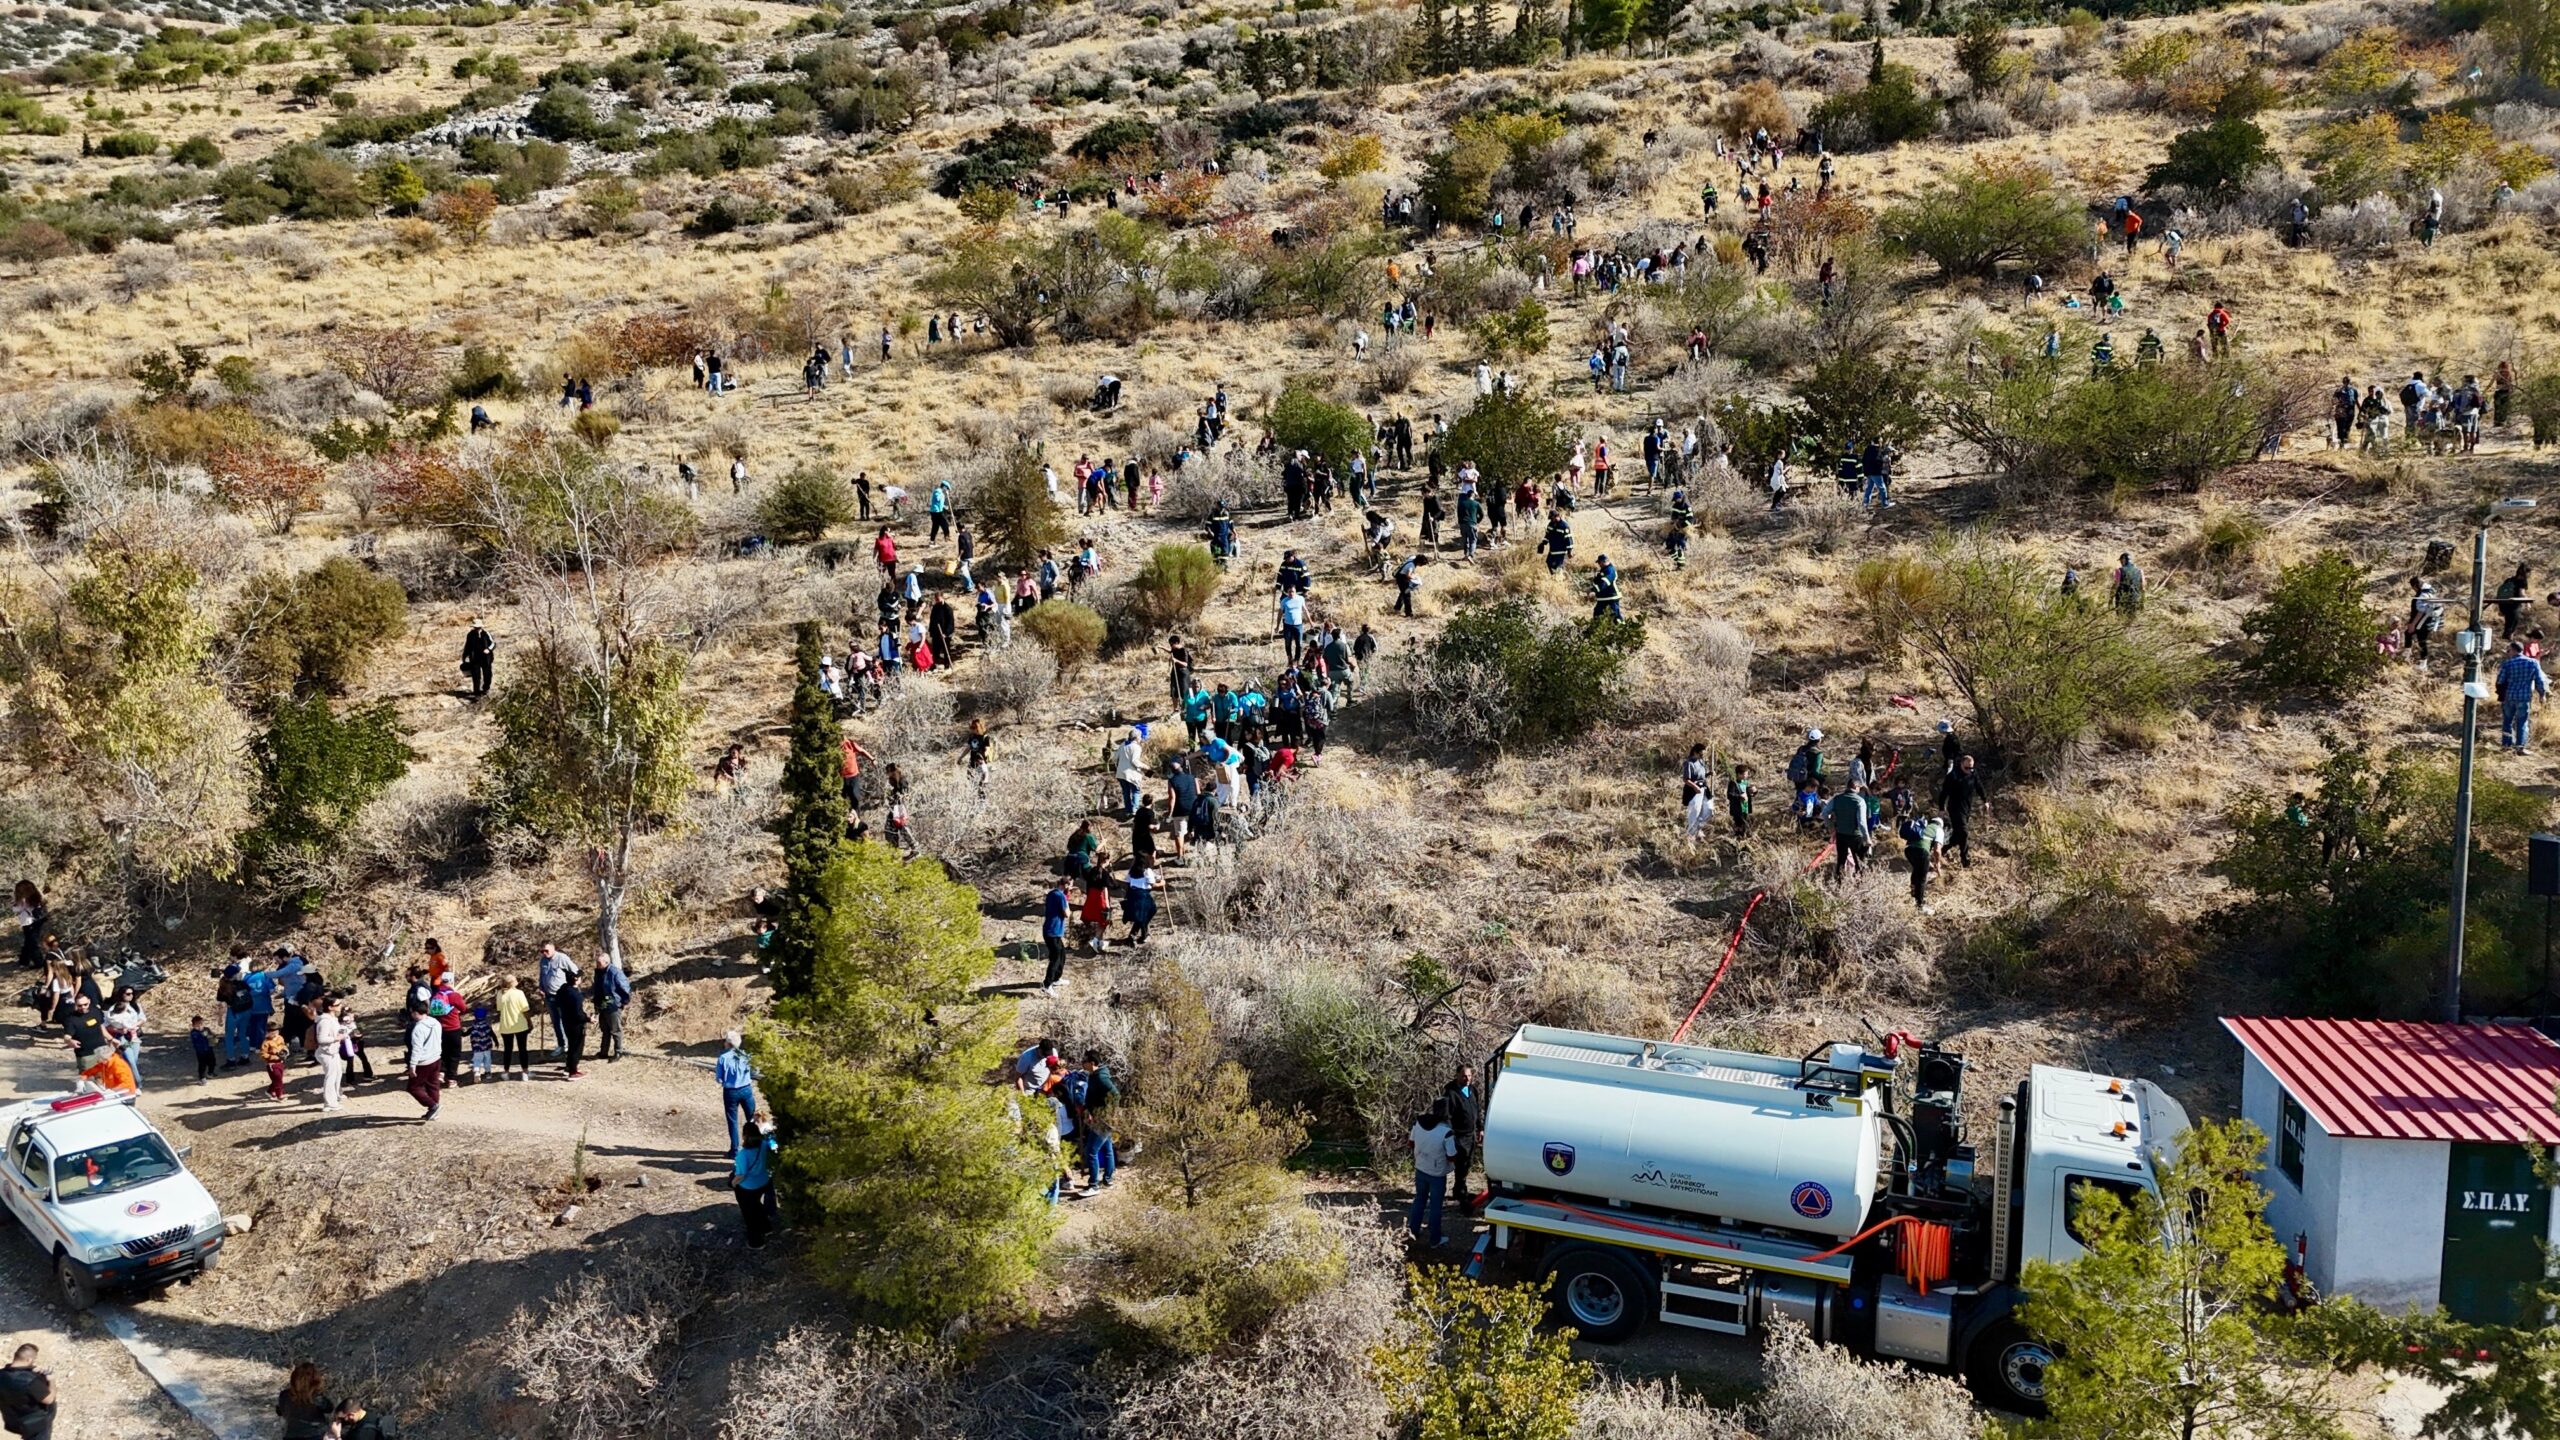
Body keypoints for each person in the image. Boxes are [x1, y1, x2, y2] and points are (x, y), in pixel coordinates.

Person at [1409, 1101, 1457, 1248]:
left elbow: (1410, 1143)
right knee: (1436, 1206)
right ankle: (1435, 1239)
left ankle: (1413, 1232)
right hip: (1437, 1174)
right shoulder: (1446, 1132)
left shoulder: (1419, 1123)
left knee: (1419, 1200)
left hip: (1421, 1168)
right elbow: (1451, 1156)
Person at [733, 1115, 780, 1250]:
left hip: (749, 1187)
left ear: (744, 1136)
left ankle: (756, 1242)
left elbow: (740, 1175)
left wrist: (733, 1184)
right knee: (756, 1204)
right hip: (764, 1182)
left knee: (749, 1215)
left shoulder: (743, 1154)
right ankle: (766, 1227)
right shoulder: (764, 1145)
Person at [2499, 640, 2549, 752]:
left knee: (2507, 721)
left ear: (2513, 650)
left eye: (2509, 650)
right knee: (2522, 721)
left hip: (2509, 696)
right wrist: (2542, 694)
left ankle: (2506, 745)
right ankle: (2520, 747)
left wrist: (2501, 694)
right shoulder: (2533, 663)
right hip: (2524, 696)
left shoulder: (2507, 664)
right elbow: (2539, 680)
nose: (2508, 652)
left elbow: (2500, 681)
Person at [1443, 1067, 1482, 1210]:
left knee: (1467, 1162)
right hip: (1459, 1135)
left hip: (1471, 1134)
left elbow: (1476, 1110)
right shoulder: (1451, 1093)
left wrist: (1480, 1128)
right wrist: (1451, 1134)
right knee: (1460, 1163)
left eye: (1469, 1076)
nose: (1467, 1079)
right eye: (1464, 1076)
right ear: (1458, 1075)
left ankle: (1461, 1188)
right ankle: (1459, 1191)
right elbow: (1447, 1116)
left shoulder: (1473, 1090)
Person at [1938, 754, 1984, 867]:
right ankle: (1965, 858)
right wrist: (1941, 808)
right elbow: (1944, 793)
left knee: (1957, 835)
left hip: (1966, 808)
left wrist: (1985, 800)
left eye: (1971, 767)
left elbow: (1979, 786)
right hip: (1954, 808)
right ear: (1961, 765)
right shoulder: (1953, 776)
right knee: (1963, 832)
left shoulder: (1973, 774)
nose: (1969, 770)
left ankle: (1943, 849)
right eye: (1967, 768)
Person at [0, 1345, 54, 1440]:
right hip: (35, 1423)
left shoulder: (2, 1374)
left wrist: (31, 1372)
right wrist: (51, 1380)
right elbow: (49, 1399)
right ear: (29, 1360)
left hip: (13, 1420)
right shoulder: (31, 1380)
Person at [716, 1030, 757, 1153]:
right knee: (752, 1118)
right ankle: (754, 1147)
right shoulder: (746, 1055)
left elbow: (719, 1078)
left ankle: (735, 1150)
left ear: (728, 1044)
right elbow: (755, 1071)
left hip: (730, 1092)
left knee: (732, 1120)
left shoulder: (723, 1058)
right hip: (746, 1089)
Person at [278, 1362, 333, 1440]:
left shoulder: (284, 1395)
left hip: (291, 1435)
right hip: (315, 1434)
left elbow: (281, 1411)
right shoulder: (315, 1397)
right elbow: (329, 1408)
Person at [406, 1003, 442, 1121]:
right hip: (436, 1058)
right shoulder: (435, 1022)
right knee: (433, 1085)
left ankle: (433, 1106)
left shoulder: (418, 1028)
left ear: (416, 1013)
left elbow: (417, 1048)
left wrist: (412, 1065)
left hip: (424, 1061)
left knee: (413, 1087)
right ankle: (434, 1110)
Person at [592, 953, 631, 1061]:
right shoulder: (598, 973)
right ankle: (603, 1052)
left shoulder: (615, 972)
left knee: (615, 1030)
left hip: (613, 1004)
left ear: (606, 962)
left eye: (599, 963)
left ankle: (618, 1052)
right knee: (605, 1030)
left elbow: (625, 988)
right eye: (596, 962)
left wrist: (622, 1002)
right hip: (602, 1004)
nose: (597, 964)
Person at [313, 998, 348, 1111]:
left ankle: (336, 1096)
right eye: (337, 1004)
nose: (340, 1006)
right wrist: (337, 1038)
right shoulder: (325, 1021)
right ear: (330, 1007)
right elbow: (322, 1039)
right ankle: (329, 1103)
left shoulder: (333, 1019)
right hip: (327, 1053)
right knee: (330, 1077)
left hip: (333, 1051)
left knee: (338, 1074)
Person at [495, 975, 532, 1081]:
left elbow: (499, 1008)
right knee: (522, 1049)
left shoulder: (500, 993)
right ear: (512, 983)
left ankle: (506, 1072)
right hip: (519, 1024)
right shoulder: (519, 993)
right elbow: (525, 1010)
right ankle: (525, 1072)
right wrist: (529, 1022)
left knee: (507, 1050)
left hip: (505, 1025)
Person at [554, 969, 588, 1078]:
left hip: (566, 1021)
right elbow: (578, 1014)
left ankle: (568, 1067)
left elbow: (557, 1001)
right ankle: (573, 1072)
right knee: (576, 1047)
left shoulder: (563, 989)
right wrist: (588, 1019)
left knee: (571, 1045)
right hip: (576, 1024)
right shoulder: (576, 995)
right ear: (576, 979)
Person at [460, 619, 494, 699]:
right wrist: (465, 656)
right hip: (475, 658)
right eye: (475, 627)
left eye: (478, 627)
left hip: (486, 658)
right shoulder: (470, 635)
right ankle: (476, 693)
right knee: (476, 676)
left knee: (487, 674)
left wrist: (488, 649)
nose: (477, 629)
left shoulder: (486, 634)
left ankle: (486, 688)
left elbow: (493, 643)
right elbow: (467, 646)